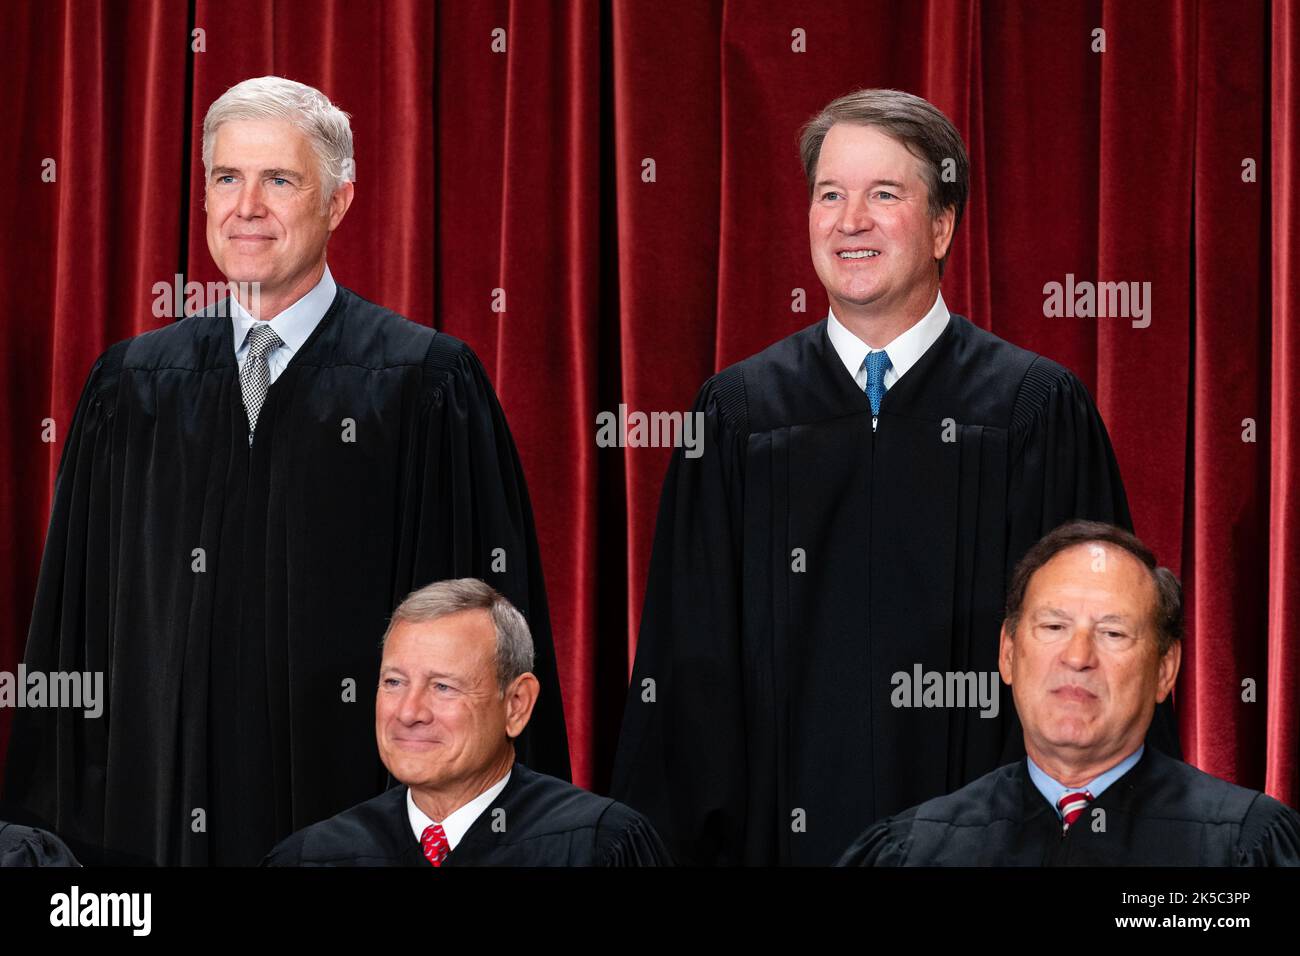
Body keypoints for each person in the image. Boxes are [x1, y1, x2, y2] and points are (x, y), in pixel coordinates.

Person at [2, 76, 568, 866]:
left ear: (337, 202)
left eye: (280, 180)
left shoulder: (424, 388)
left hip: (361, 830)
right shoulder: (132, 388)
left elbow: (483, 648)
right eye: (226, 178)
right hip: (153, 827)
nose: (247, 207)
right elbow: (73, 637)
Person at [611, 88, 1178, 866]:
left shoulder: (1032, 411)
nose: (851, 221)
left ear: (942, 224)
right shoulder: (738, 416)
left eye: (884, 194)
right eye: (830, 195)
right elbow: (687, 682)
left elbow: (1098, 655)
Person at [839, 521, 1300, 866]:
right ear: (1007, 653)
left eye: (1114, 633)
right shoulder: (913, 851)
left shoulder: (1244, 845)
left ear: (1165, 669)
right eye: (1054, 626)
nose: (1078, 656)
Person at [264, 579, 670, 866]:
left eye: (443, 687)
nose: (409, 712)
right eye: (394, 682)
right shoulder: (313, 856)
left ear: (516, 704)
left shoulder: (596, 844)